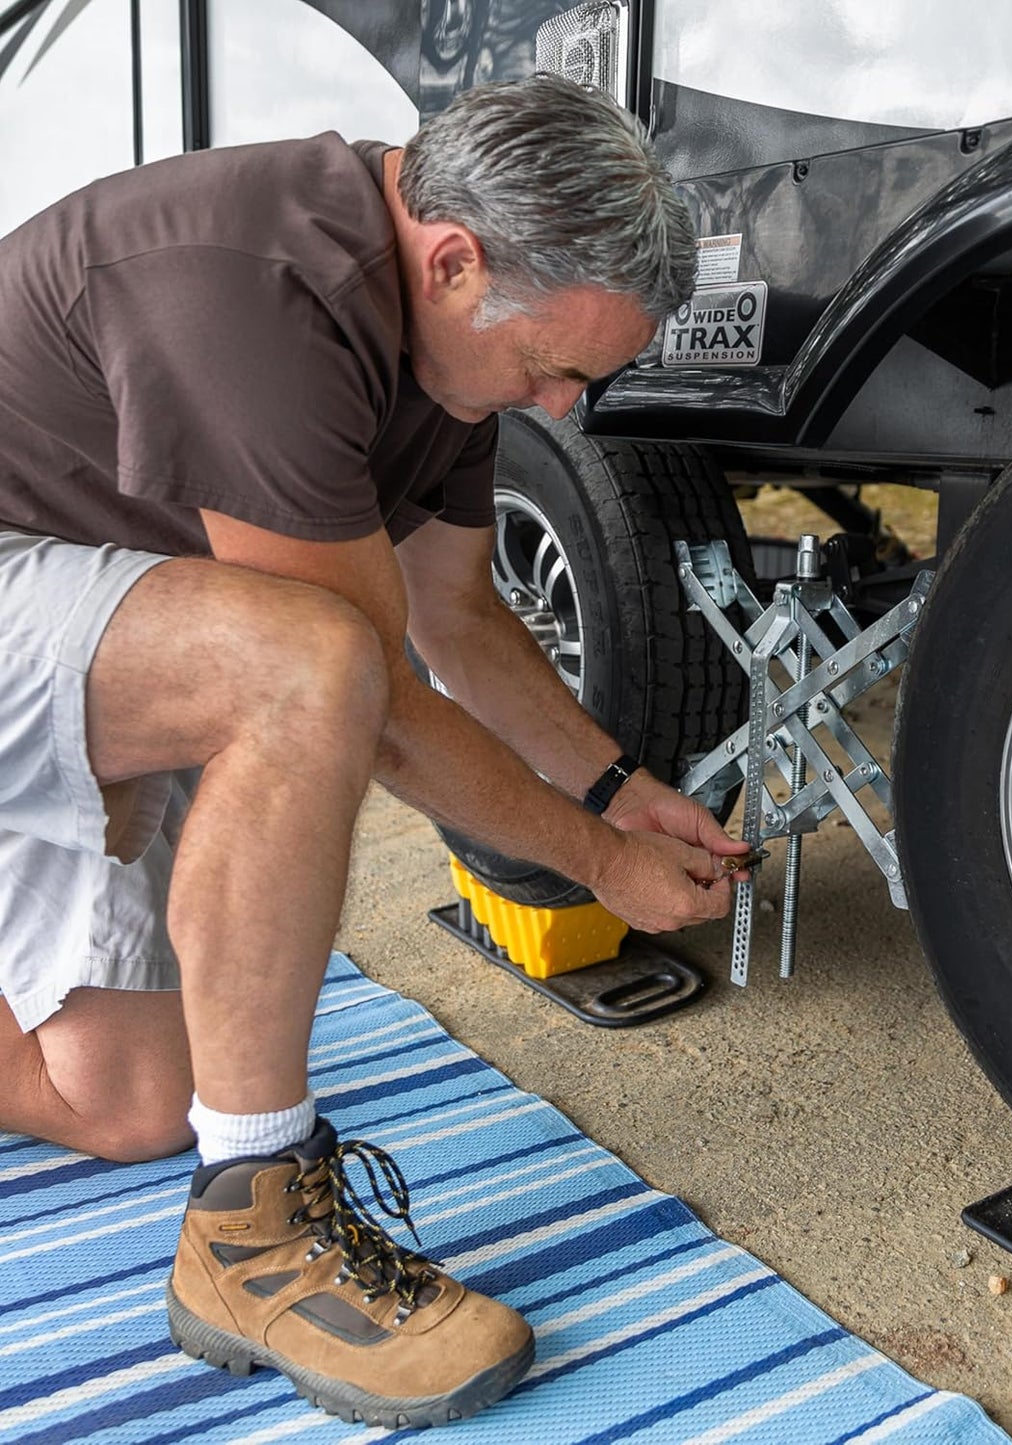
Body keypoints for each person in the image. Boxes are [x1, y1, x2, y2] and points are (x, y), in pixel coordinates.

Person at [0, 73, 750, 1427]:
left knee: (122, 1101)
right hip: (35, 598)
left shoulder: (440, 351)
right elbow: (376, 709)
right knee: (308, 663)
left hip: (86, 624)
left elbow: (460, 617)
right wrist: (596, 868)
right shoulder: (252, 290)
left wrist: (615, 790)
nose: (566, 410)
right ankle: (253, 1239)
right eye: (552, 368)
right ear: (454, 258)